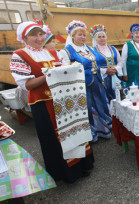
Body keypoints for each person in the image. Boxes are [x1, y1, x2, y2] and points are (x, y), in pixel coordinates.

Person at [10, 22, 94, 183]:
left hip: (63, 100)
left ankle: (82, 165)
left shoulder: (52, 52)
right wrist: (49, 74)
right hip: (42, 103)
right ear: (25, 38)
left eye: (41, 34)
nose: (39, 38)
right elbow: (27, 85)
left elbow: (63, 74)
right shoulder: (20, 55)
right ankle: (66, 173)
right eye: (34, 35)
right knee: (55, 138)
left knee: (72, 130)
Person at [60, 20, 112, 142]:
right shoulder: (66, 51)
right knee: (88, 108)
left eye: (84, 35)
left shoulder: (88, 48)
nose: (82, 37)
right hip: (82, 85)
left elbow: (98, 62)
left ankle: (104, 130)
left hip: (97, 82)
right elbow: (66, 71)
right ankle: (92, 134)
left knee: (101, 104)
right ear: (72, 36)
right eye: (79, 35)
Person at [90, 24, 123, 102]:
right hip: (103, 78)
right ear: (95, 39)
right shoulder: (92, 51)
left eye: (103, 36)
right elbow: (93, 66)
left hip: (116, 77)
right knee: (107, 98)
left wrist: (116, 69)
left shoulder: (113, 48)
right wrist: (105, 71)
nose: (102, 38)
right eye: (99, 37)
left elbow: (120, 62)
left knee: (119, 96)